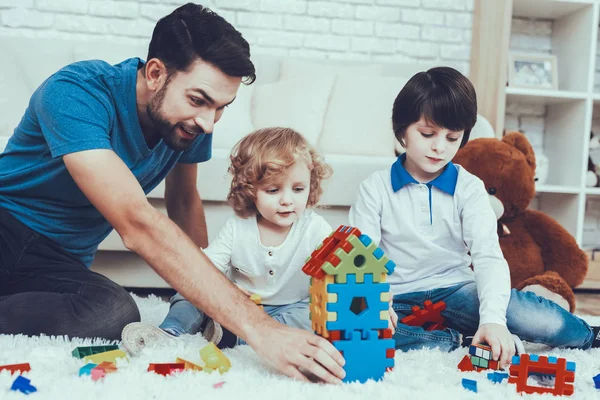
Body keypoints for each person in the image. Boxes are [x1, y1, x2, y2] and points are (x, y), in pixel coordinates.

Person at [0, 3, 345, 383]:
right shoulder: (75, 92)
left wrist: (209, 299)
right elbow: (136, 221)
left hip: (58, 260)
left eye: (221, 108)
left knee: (114, 314)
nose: (208, 123)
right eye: (198, 100)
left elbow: (183, 201)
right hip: (6, 227)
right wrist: (259, 328)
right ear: (155, 73)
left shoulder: (187, 127)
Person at [349, 66, 600, 369]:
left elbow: (488, 257)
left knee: (537, 319)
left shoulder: (468, 187)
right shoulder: (374, 188)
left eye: (452, 137)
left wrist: (494, 320)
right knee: (355, 327)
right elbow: (361, 258)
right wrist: (377, 300)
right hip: (397, 297)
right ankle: (456, 341)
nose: (439, 147)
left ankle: (588, 336)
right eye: (427, 134)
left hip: (458, 290)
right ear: (403, 130)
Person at [122, 127, 336, 352]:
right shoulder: (238, 227)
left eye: (298, 189)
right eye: (273, 190)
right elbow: (205, 267)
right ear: (250, 190)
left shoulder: (315, 227)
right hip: (238, 308)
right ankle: (170, 331)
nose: (287, 200)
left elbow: (336, 268)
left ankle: (231, 338)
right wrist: (225, 291)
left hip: (290, 308)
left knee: (315, 316)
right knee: (189, 294)